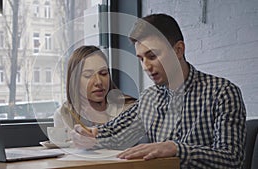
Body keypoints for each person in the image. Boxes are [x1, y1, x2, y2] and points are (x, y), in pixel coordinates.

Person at [70, 14, 246, 168]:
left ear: (178, 50)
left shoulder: (222, 93)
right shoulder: (149, 98)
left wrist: (175, 149)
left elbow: (232, 159)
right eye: (141, 59)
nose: (146, 66)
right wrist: (90, 135)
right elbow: (115, 132)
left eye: (152, 56)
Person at [54, 45, 136, 129]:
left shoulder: (130, 108)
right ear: (75, 80)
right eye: (88, 75)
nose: (98, 82)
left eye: (103, 73)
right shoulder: (64, 115)